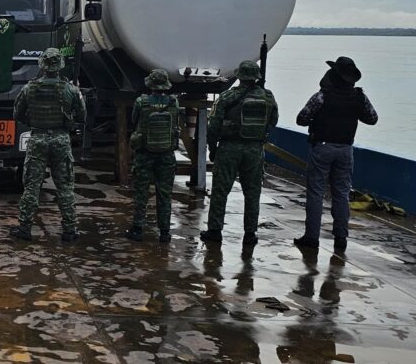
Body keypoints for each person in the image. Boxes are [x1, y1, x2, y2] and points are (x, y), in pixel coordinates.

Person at [293, 56, 377, 251]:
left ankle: (311, 238)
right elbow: (372, 118)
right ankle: (341, 238)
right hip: (346, 149)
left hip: (322, 147)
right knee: (342, 193)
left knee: (315, 193)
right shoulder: (359, 97)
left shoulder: (322, 96)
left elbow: (302, 119)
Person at [10, 48, 86, 242]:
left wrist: (33, 121)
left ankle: (25, 228)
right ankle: (69, 230)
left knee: (32, 186)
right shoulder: (70, 89)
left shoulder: (29, 88)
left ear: (42, 66)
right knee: (65, 187)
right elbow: (82, 116)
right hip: (61, 140)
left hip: (38, 139)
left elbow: (17, 114)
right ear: (60, 66)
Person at [201, 60, 278, 246]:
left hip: (229, 148)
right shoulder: (268, 97)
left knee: (221, 190)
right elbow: (273, 121)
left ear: (239, 76)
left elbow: (213, 127)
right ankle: (250, 233)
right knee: (252, 192)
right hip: (254, 150)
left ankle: (215, 231)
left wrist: (212, 148)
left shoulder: (228, 96)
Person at [125, 69, 182, 243]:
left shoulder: (141, 102)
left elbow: (134, 122)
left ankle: (137, 228)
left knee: (141, 192)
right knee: (164, 193)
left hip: (145, 154)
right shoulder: (174, 102)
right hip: (166, 154)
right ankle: (164, 232)